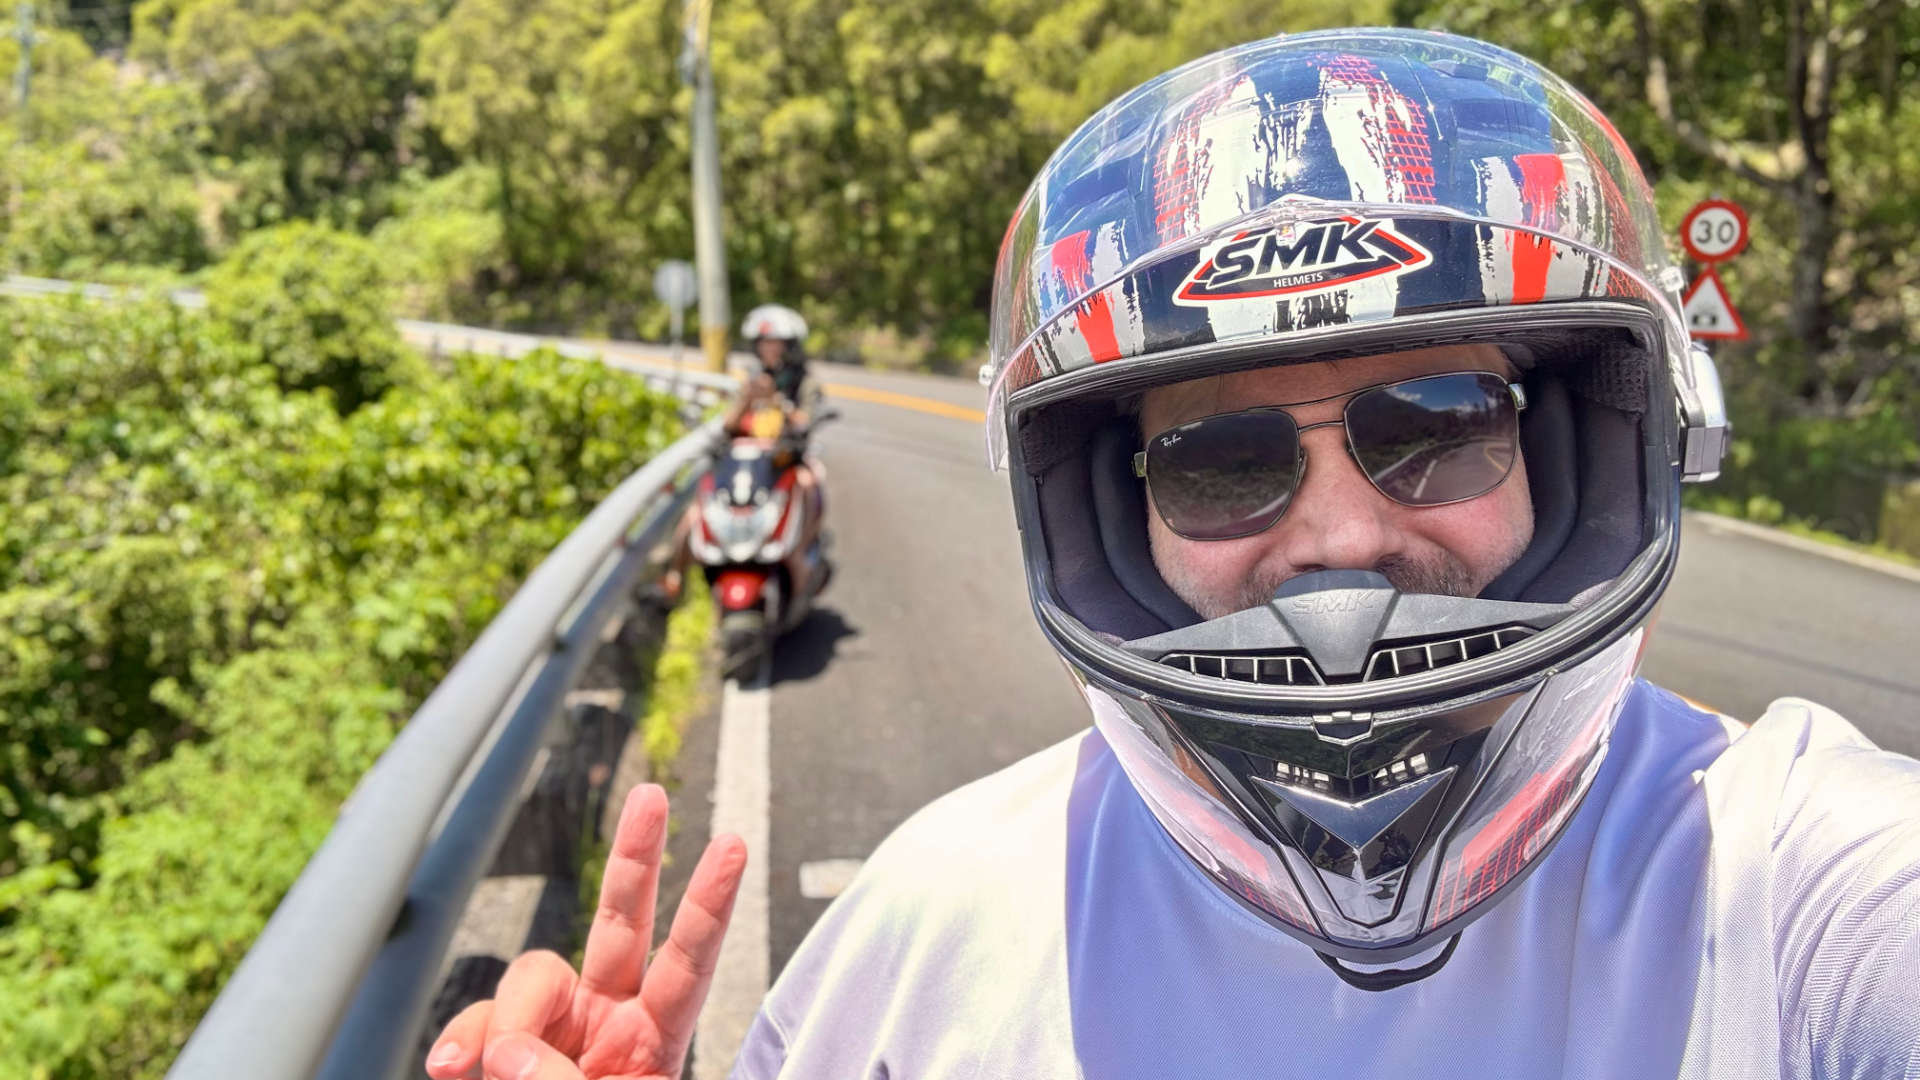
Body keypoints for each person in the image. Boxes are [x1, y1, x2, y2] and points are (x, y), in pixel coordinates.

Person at [426, 29, 1920, 1080]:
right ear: (1110, 513)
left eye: (1441, 424)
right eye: (1220, 462)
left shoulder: (1792, 885)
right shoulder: (933, 922)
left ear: (1593, 447)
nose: (1340, 541)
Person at [665, 303, 830, 604]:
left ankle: (801, 554)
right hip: (748, 464)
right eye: (764, 343)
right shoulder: (752, 378)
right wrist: (747, 397)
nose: (770, 349)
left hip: (786, 461)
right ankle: (675, 578)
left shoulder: (803, 382)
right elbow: (728, 426)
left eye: (776, 343)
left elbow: (806, 421)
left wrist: (778, 401)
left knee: (810, 484)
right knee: (696, 511)